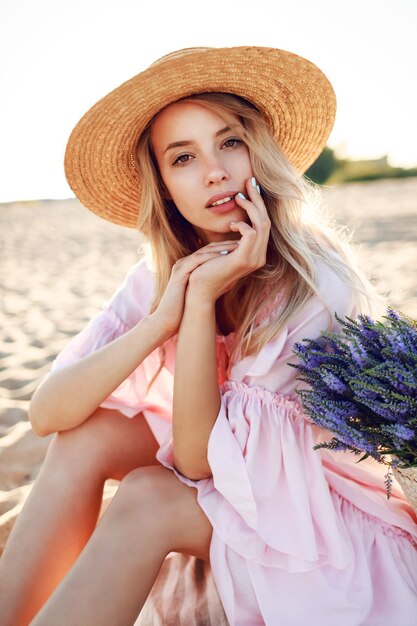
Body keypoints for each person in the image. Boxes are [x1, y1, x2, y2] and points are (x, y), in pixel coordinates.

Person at [0, 46, 416, 626]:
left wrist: (198, 307)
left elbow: (198, 463)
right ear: (164, 185)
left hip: (317, 523)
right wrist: (160, 320)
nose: (215, 171)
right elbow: (48, 414)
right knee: (87, 437)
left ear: (257, 152)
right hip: (246, 482)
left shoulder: (312, 280)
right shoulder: (162, 271)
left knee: (145, 499)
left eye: (229, 143)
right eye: (183, 157)